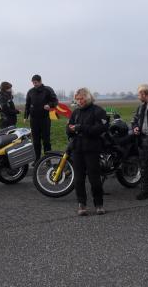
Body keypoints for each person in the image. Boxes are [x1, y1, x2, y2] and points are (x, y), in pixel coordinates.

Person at [67, 88, 108, 216]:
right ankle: (82, 204)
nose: (79, 101)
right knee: (78, 179)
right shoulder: (75, 112)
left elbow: (101, 128)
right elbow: (68, 128)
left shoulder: (98, 111)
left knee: (94, 178)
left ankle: (99, 204)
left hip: (92, 149)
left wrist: (81, 128)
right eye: (78, 99)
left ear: (88, 97)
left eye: (82, 98)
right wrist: (70, 130)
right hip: (77, 149)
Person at [24, 75, 58, 159]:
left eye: (36, 82)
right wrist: (26, 116)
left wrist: (49, 105)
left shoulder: (48, 90)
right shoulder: (30, 91)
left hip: (45, 119)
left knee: (46, 140)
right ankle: (37, 159)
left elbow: (55, 101)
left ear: (40, 81)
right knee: (36, 140)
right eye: (33, 83)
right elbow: (27, 104)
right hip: (34, 120)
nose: (34, 84)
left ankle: (48, 159)